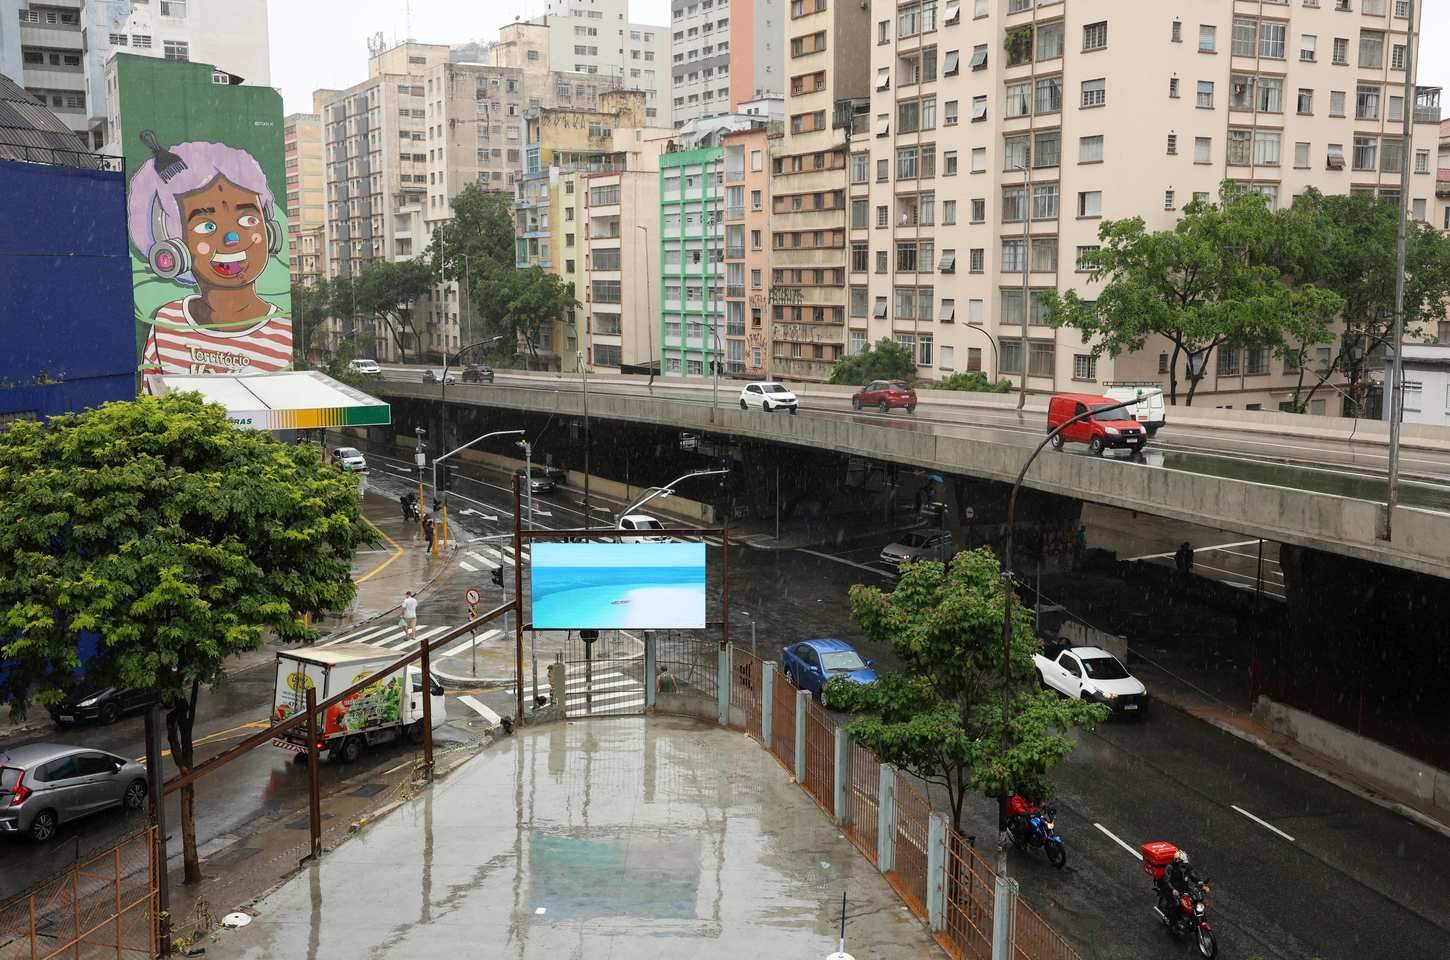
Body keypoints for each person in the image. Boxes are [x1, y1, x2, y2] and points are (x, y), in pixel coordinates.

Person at [126, 135, 292, 392]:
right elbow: (153, 403)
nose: (232, 238)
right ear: (172, 248)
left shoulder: (281, 330)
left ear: (269, 232)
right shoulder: (167, 323)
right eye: (207, 226)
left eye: (248, 219)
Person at [1159, 849, 1206, 921]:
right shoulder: (1170, 867)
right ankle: (1173, 922)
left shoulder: (1187, 867)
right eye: (1183, 863)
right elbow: (1166, 880)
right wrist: (1173, 889)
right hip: (1171, 890)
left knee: (1196, 900)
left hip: (1184, 889)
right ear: (1177, 861)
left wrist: (1201, 883)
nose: (1184, 865)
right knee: (1176, 905)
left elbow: (1193, 876)